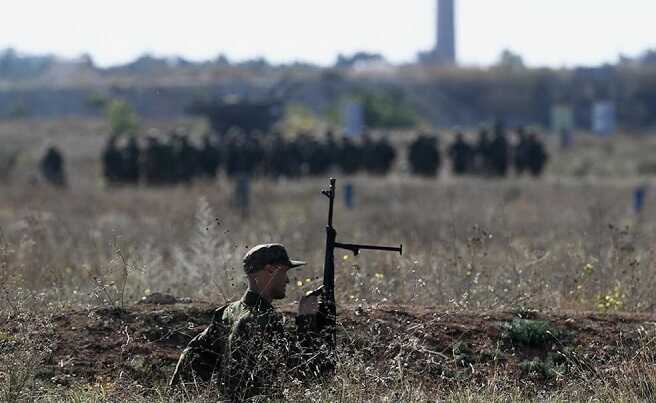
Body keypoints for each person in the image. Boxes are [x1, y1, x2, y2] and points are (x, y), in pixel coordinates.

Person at [170, 243, 332, 400]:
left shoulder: (228, 312)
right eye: (284, 272)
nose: (287, 280)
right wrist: (306, 321)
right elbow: (302, 371)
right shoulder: (263, 319)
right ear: (270, 270)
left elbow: (192, 355)